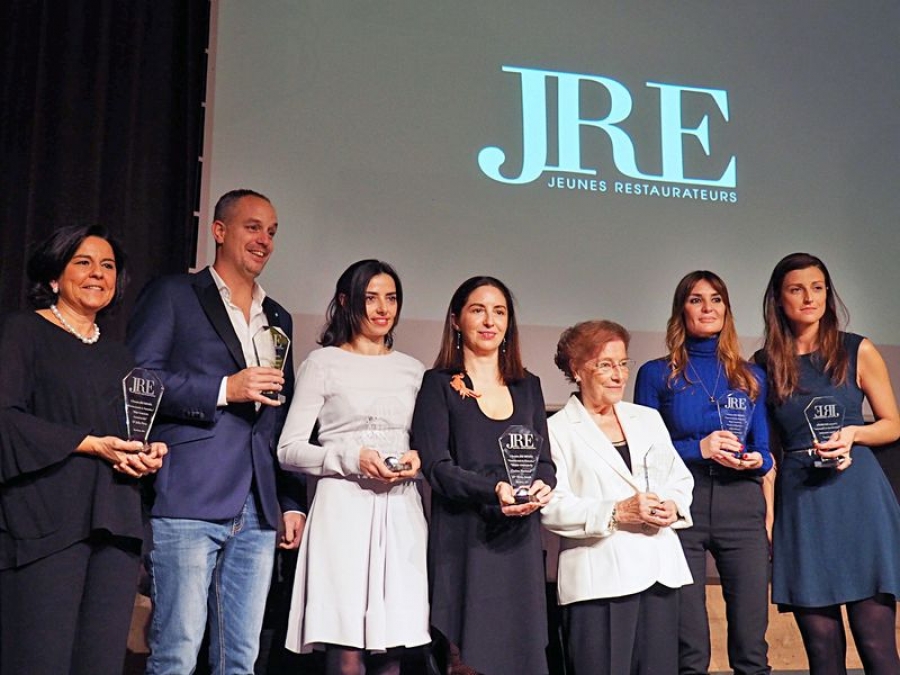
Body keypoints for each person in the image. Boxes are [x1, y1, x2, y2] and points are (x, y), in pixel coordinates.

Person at [127, 189, 306, 674]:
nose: (264, 240)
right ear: (219, 230)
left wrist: (289, 500)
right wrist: (226, 387)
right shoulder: (173, 294)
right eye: (252, 227)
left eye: (271, 231)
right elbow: (140, 380)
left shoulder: (278, 318)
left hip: (258, 506)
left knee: (242, 660)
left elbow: (277, 418)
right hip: (190, 492)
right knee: (176, 653)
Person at [0, 225, 166, 675]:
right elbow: (6, 418)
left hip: (113, 525)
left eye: (108, 265)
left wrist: (144, 455)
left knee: (100, 663)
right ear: (55, 276)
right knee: (39, 659)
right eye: (84, 262)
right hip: (45, 525)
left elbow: (123, 439)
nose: (98, 273)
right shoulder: (23, 332)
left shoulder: (121, 357)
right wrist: (89, 444)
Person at [277, 259, 429, 674]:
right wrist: (348, 458)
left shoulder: (413, 370)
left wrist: (418, 460)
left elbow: (426, 447)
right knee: (345, 652)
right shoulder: (323, 364)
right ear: (346, 302)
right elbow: (288, 449)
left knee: (393, 651)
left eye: (391, 298)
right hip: (342, 511)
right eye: (371, 298)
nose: (382, 309)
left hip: (399, 513)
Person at [756, 252, 900, 675]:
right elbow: (769, 450)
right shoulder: (765, 364)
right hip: (802, 505)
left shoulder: (858, 349)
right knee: (821, 652)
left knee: (876, 643)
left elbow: (892, 424)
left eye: (817, 288)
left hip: (858, 497)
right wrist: (769, 514)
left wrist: (854, 433)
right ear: (779, 300)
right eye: (796, 289)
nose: (809, 298)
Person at [411, 276, 555, 675]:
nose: (490, 320)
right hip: (464, 543)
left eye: (499, 311)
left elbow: (544, 462)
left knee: (522, 659)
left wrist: (544, 486)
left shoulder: (529, 386)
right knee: (469, 661)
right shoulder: (437, 384)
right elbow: (436, 468)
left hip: (520, 543)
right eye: (478, 310)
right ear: (456, 320)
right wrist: (494, 490)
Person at [634, 271, 774, 675]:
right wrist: (699, 448)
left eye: (716, 299)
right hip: (683, 504)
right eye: (697, 300)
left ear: (726, 309)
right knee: (689, 649)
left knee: (751, 646)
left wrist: (753, 460)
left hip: (741, 504)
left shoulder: (751, 375)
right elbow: (645, 453)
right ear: (682, 310)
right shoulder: (655, 374)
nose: (708, 308)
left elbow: (764, 451)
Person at [542, 320, 693, 675]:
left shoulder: (648, 418)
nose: (618, 375)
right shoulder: (557, 429)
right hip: (600, 582)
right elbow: (552, 506)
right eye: (606, 365)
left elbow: (679, 478)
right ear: (577, 370)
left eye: (623, 364)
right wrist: (617, 512)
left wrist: (672, 504)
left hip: (659, 575)